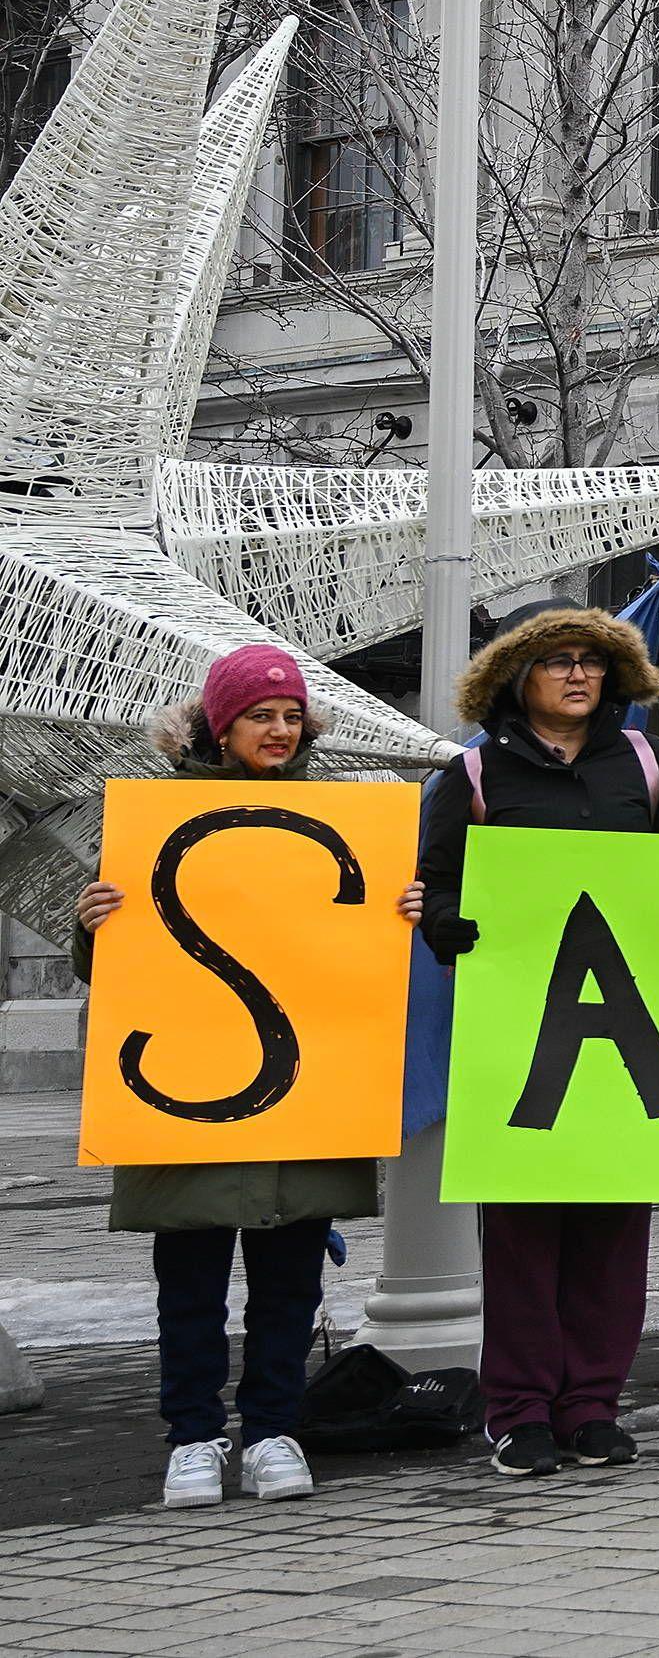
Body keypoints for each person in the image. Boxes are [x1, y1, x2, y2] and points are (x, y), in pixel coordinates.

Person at [72, 645, 413, 1510]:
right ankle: (192, 1437)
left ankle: (271, 1432)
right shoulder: (154, 821)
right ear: (220, 727)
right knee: (189, 1287)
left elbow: (353, 965)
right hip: (188, 1097)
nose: (280, 729)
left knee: (289, 1286)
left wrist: (400, 914)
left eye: (292, 716)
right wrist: (93, 924)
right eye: (261, 715)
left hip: (304, 1104)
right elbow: (118, 971)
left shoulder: (342, 826)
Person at [418, 607, 659, 1475]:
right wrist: (448, 923)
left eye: (591, 660)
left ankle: (594, 1405)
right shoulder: (475, 772)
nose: (577, 674)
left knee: (613, 1228)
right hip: (521, 1030)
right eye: (556, 660)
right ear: (517, 677)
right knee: (521, 1234)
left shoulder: (643, 761)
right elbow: (437, 885)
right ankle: (519, 1413)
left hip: (626, 1029)